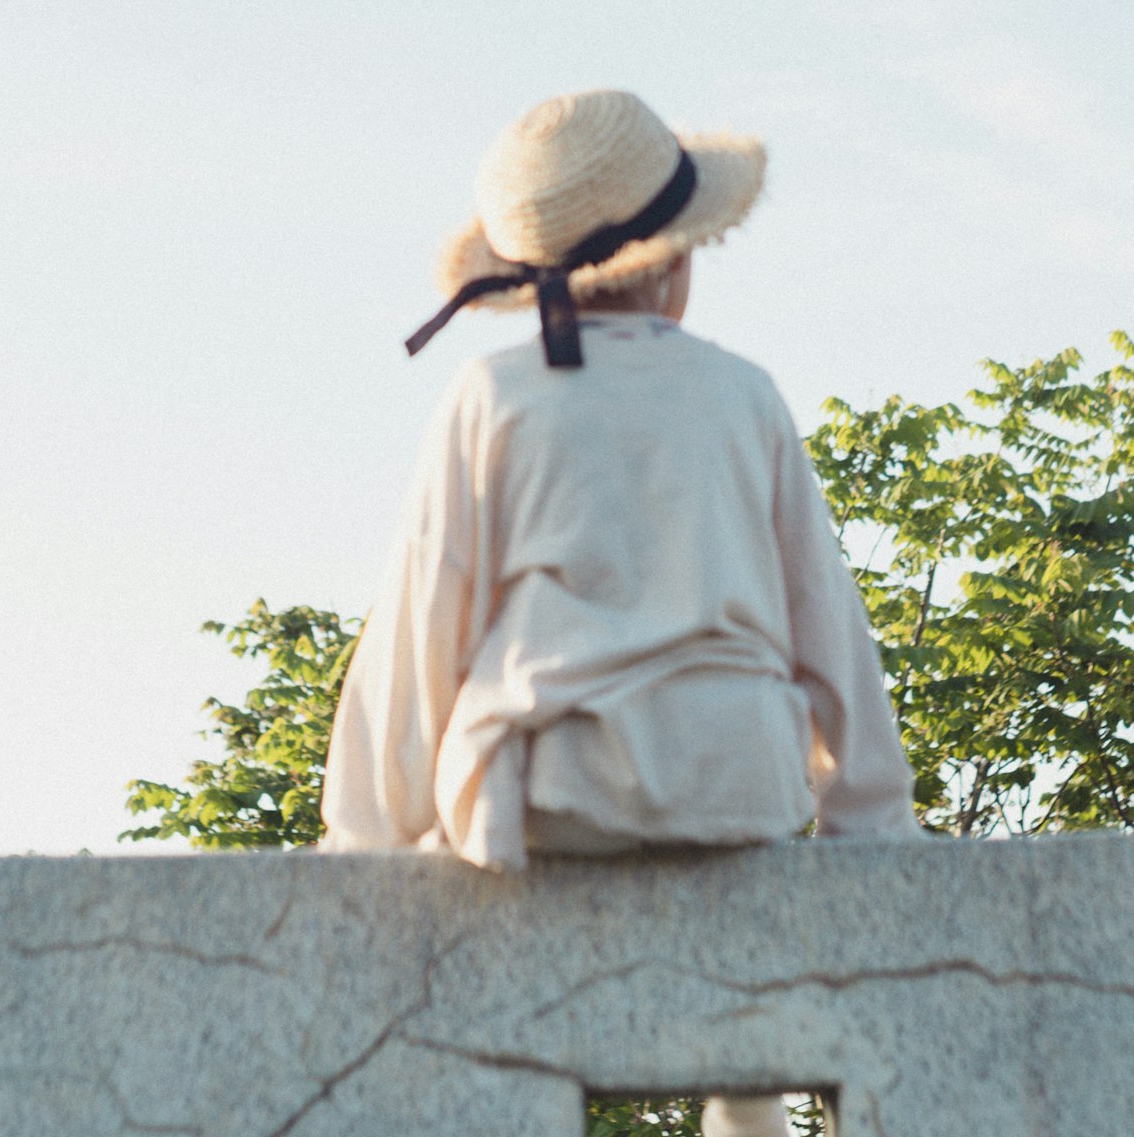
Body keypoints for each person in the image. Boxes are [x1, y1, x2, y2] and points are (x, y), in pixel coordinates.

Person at [321, 92, 918, 1137]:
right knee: (745, 979)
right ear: (676, 263)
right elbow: (828, 623)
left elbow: (423, 627)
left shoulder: (494, 394)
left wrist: (365, 835)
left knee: (478, 868)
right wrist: (871, 820)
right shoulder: (744, 393)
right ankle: (745, 1111)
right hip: (737, 778)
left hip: (557, 782)